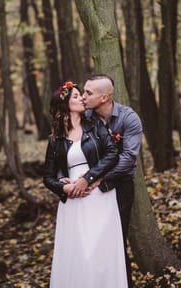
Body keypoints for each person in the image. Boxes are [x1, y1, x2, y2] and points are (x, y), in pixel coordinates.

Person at [43, 81, 128, 288]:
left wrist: (87, 178)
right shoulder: (55, 139)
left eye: (82, 94)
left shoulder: (95, 126)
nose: (81, 98)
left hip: (98, 195)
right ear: (64, 105)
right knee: (78, 253)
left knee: (99, 253)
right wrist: (64, 188)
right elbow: (48, 177)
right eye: (75, 96)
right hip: (73, 202)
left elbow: (112, 154)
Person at [80, 73, 143, 286]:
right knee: (92, 241)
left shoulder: (128, 118)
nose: (83, 96)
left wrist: (100, 177)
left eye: (88, 92)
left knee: (116, 241)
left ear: (104, 97)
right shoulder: (85, 118)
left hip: (120, 187)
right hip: (90, 189)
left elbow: (128, 157)